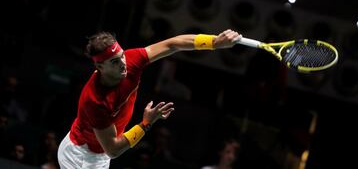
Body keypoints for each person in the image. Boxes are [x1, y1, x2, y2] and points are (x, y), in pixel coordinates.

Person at [58, 29, 241, 168]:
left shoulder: (131, 60)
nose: (123, 64)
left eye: (121, 55)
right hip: (80, 155)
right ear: (100, 66)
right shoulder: (95, 100)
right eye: (114, 61)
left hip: (100, 154)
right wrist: (146, 124)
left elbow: (173, 44)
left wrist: (214, 42)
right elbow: (113, 149)